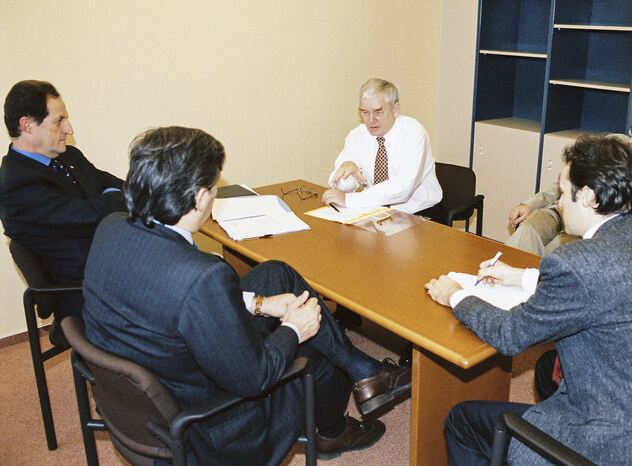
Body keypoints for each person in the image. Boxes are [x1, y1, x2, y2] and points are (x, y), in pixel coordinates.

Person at [82, 126, 411, 465]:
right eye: (213, 188)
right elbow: (257, 377)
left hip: (154, 374)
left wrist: (259, 304)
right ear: (198, 198)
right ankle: (333, 430)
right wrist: (294, 329)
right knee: (315, 341)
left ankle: (365, 370)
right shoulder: (202, 278)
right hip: (211, 426)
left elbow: (162, 291)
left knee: (277, 274)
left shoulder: (112, 226)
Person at [425, 136, 632, 465]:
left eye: (565, 192)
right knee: (546, 370)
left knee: (462, 420)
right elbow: (610, 286)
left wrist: (457, 294)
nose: (560, 203)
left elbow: (510, 336)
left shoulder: (579, 262)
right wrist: (521, 276)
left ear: (589, 196)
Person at [0, 80, 125, 323]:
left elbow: (117, 186)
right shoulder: (16, 183)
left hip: (112, 266)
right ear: (26, 125)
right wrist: (108, 200)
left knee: (199, 271)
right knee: (197, 284)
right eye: (59, 121)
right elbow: (88, 216)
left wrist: (106, 200)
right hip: (87, 292)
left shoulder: (69, 156)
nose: (69, 129)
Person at [507, 110, 632, 255]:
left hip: (595, 231)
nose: (631, 141)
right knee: (527, 230)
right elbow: (569, 179)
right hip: (562, 209)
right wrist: (530, 205)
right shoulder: (614, 144)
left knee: (554, 253)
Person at [321, 78, 442, 214]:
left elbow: (404, 187)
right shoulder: (357, 135)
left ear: (395, 109)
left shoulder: (414, 132)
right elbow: (342, 188)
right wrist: (347, 174)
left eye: (378, 112)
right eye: (365, 112)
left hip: (417, 211)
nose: (371, 120)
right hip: (374, 209)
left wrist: (351, 200)